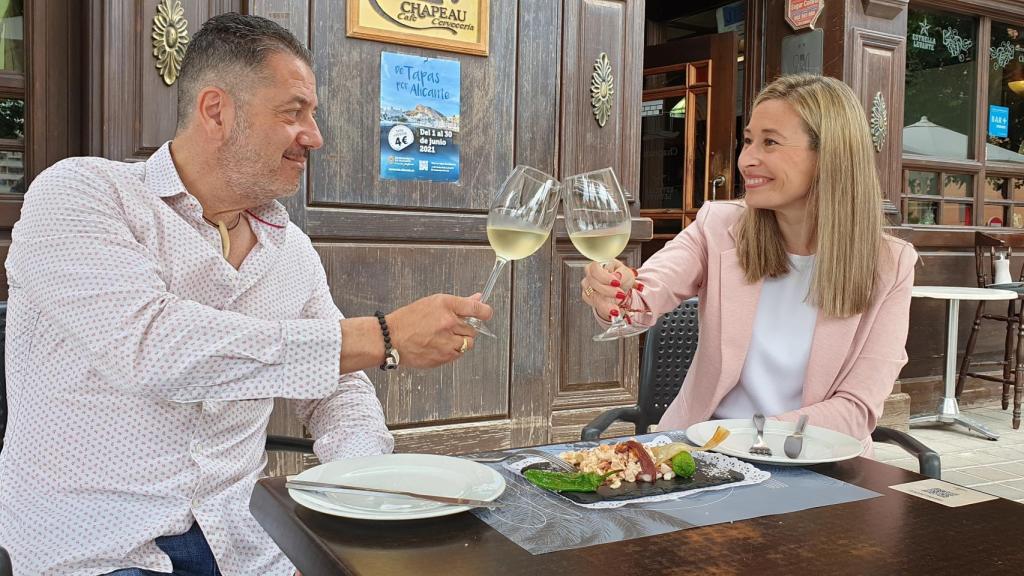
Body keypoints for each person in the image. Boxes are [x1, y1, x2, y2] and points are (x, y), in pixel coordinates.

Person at [0, 13, 491, 576]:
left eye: (313, 114)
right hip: (97, 544)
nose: (315, 135)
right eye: (294, 112)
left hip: (244, 544)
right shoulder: (82, 195)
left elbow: (339, 390)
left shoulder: (291, 249)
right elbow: (153, 347)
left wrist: (365, 489)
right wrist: (380, 336)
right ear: (217, 110)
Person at [582, 74, 916, 452]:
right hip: (704, 454)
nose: (746, 160)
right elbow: (644, 294)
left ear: (830, 156)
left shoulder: (891, 265)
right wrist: (616, 291)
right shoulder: (719, 226)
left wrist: (751, 436)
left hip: (820, 463)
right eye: (749, 141)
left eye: (770, 142)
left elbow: (856, 410)